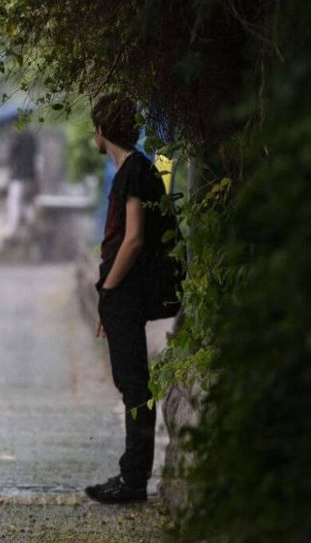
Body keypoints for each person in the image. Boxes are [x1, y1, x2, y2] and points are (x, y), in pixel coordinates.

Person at [85, 93, 172, 504]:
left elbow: (133, 239)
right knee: (131, 384)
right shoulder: (134, 170)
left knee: (135, 386)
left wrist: (108, 289)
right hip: (122, 293)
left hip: (126, 291)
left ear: (102, 131)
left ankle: (133, 479)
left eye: (95, 128)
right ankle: (132, 474)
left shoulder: (133, 171)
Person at [5, 127, 38, 240]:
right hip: (30, 176)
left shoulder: (16, 139)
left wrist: (12, 138)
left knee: (14, 203)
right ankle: (32, 226)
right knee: (27, 202)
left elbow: (10, 157)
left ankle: (13, 231)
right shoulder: (31, 137)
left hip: (18, 176)